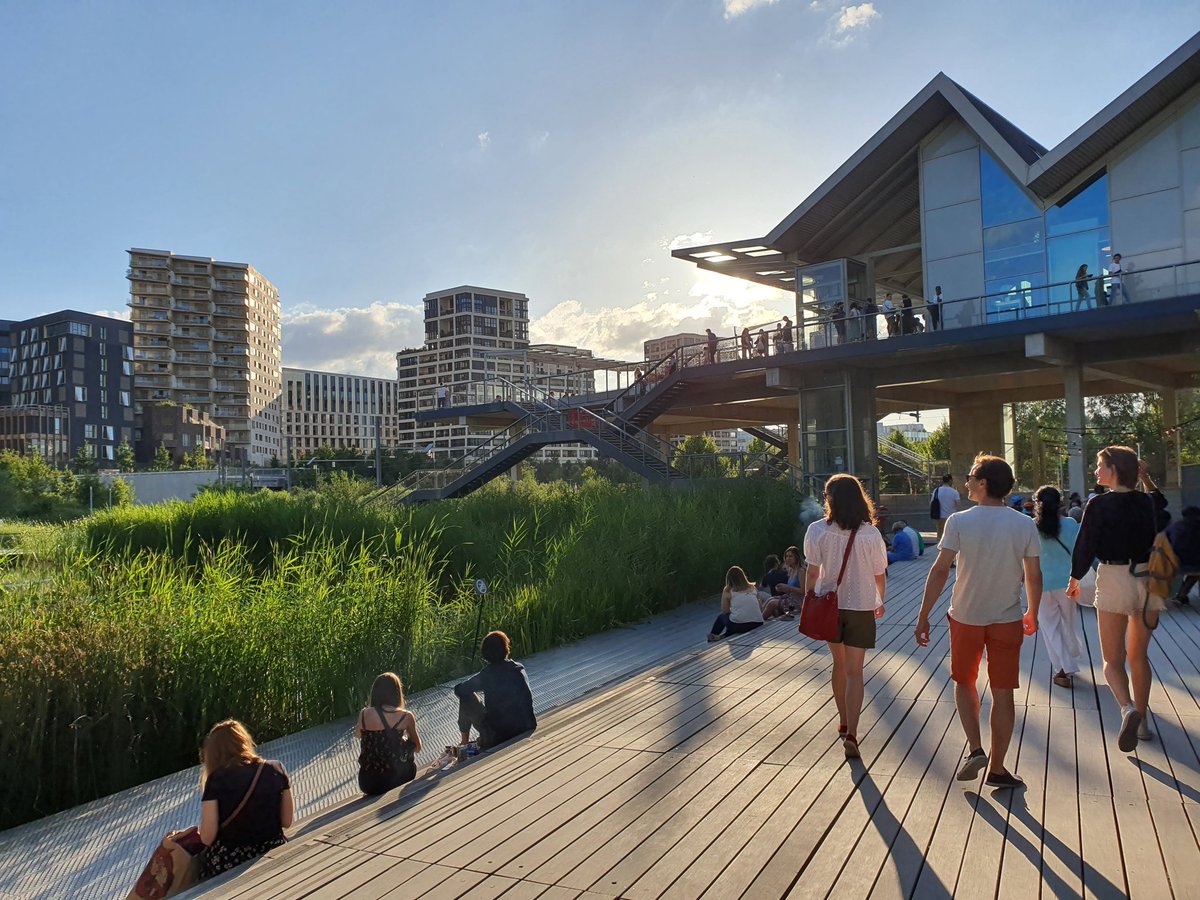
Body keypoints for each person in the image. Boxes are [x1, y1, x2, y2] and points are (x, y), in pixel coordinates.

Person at [915, 454, 1041, 790]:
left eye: (971, 477)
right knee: (1003, 693)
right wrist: (1034, 612)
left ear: (983, 484)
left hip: (966, 618)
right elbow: (1034, 575)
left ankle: (975, 749)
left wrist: (923, 615)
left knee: (964, 682)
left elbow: (940, 570)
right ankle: (997, 768)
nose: (967, 482)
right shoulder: (1024, 524)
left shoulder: (959, 522)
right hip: (1007, 617)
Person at [1067, 448, 1167, 751]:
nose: (1097, 472)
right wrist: (1145, 477)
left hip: (1114, 579)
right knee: (1139, 656)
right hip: (1149, 580)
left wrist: (1074, 578)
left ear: (1113, 469)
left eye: (1100, 466)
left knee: (1112, 661)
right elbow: (1162, 505)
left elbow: (1085, 546)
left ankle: (1127, 709)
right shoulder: (1147, 503)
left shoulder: (1098, 505)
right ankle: (1144, 723)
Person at [803, 474, 888, 759]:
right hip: (862, 605)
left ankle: (842, 721)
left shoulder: (817, 530)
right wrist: (880, 601)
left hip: (829, 606)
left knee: (838, 666)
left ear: (830, 499)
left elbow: (813, 573)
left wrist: (808, 599)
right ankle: (852, 730)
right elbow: (879, 574)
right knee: (855, 671)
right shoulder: (871, 534)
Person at [198, 719, 293, 881]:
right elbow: (287, 821)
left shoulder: (217, 779)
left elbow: (207, 837)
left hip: (231, 860)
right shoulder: (276, 768)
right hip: (273, 849)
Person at [1033, 486, 1083, 688]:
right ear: (1061, 503)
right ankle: (1069, 659)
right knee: (1069, 625)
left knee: (1050, 628)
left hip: (1040, 584)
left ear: (1037, 504)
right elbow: (1080, 553)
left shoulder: (1031, 527)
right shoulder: (1071, 524)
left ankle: (1063, 668)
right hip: (1069, 583)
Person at [454, 631, 537, 751]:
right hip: (526, 727)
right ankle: (472, 740)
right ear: (506, 649)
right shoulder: (519, 669)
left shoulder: (486, 675)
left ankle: (464, 742)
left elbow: (459, 689)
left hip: (498, 736)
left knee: (466, 697)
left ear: (485, 654)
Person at [356, 672, 422, 796]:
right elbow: (417, 748)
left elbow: (359, 735)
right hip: (396, 779)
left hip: (367, 782)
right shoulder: (406, 716)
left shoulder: (364, 714)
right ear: (397, 693)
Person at [709, 565, 766, 641]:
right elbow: (760, 608)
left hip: (740, 626)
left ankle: (712, 637)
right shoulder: (752, 588)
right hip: (758, 622)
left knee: (722, 617)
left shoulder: (728, 590)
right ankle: (725, 635)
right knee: (735, 618)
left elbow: (725, 611)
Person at [1167, 507, 1200, 605]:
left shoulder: (1175, 526)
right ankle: (1181, 594)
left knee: (1188, 571)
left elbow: (1165, 541)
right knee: (1194, 574)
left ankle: (1181, 595)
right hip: (1196, 563)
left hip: (1175, 562)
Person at [772, 544, 807, 615]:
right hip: (791, 597)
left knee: (771, 603)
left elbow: (804, 591)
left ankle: (761, 621)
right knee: (770, 599)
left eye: (791, 556)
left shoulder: (801, 571)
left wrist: (788, 587)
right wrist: (783, 588)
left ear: (796, 558)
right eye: (786, 556)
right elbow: (792, 589)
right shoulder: (791, 571)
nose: (788, 558)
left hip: (798, 601)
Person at [757, 554, 790, 619]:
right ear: (776, 564)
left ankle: (760, 614)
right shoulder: (785, 572)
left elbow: (761, 588)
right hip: (785, 595)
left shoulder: (767, 576)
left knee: (760, 594)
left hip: (777, 597)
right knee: (769, 599)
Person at [933, 474, 961, 541]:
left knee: (940, 536)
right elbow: (958, 505)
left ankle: (939, 549)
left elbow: (931, 503)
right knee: (951, 536)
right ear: (950, 480)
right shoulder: (954, 492)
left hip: (940, 516)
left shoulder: (936, 490)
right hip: (951, 517)